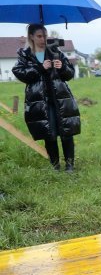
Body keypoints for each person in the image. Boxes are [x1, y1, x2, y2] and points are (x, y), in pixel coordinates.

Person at [12, 24, 80, 171]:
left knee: (66, 132)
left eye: (45, 36)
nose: (43, 39)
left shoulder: (56, 52)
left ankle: (70, 166)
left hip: (60, 99)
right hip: (40, 102)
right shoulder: (26, 55)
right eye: (39, 36)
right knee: (49, 135)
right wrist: (40, 68)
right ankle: (55, 167)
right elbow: (19, 72)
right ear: (31, 36)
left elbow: (69, 74)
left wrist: (61, 67)